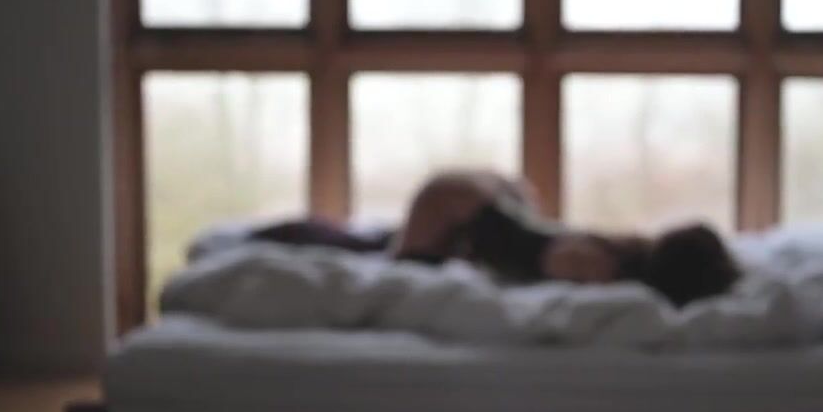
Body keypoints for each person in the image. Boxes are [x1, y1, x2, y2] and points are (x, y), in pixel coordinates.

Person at [244, 169, 740, 307]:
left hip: (476, 198)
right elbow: (540, 266)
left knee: (369, 246)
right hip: (455, 202)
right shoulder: (601, 267)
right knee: (371, 260)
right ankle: (259, 241)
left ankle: (269, 235)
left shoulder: (617, 254)